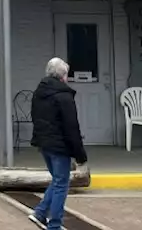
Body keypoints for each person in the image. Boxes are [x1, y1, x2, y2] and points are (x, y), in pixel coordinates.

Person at [28, 57, 87, 229]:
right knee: (61, 183)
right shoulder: (64, 96)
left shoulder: (39, 93)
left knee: (57, 180)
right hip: (59, 146)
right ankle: (54, 224)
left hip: (44, 144)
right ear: (63, 76)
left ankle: (40, 213)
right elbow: (71, 127)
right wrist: (80, 155)